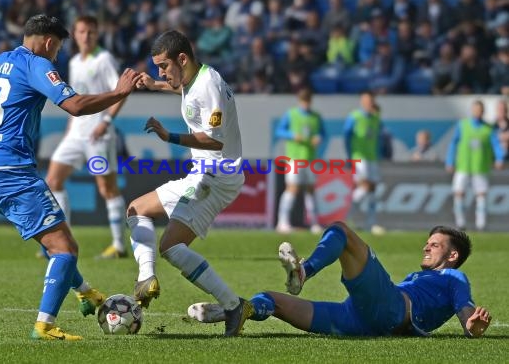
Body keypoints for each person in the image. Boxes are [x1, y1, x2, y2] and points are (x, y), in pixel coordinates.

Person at [0, 14, 138, 340]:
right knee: (66, 249)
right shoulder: (38, 65)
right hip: (13, 172)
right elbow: (74, 104)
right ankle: (45, 325)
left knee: (52, 241)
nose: (56, 57)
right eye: (57, 50)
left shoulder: (1, 60)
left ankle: (84, 290)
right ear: (48, 43)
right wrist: (118, 92)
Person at [128, 30, 253, 336]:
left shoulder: (208, 86)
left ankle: (233, 305)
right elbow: (189, 96)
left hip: (215, 176)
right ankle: (147, 276)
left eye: (164, 66)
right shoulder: (194, 78)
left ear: (181, 58)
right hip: (206, 173)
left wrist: (168, 136)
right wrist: (157, 85)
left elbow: (213, 141)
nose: (161, 72)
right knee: (136, 209)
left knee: (171, 246)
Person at [188, 221, 493, 338]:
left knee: (342, 232)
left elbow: (468, 319)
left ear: (453, 256)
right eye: (428, 241)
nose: (426, 246)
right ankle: (243, 310)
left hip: (390, 309)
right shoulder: (421, 277)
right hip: (359, 320)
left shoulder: (454, 276)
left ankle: (304, 271)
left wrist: (473, 327)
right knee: (275, 299)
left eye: (435, 244)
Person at [45, 15, 128, 259]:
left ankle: (118, 245)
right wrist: (70, 127)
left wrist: (106, 122)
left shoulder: (104, 59)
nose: (86, 36)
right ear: (75, 33)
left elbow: (120, 93)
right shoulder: (73, 62)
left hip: (98, 137)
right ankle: (63, 240)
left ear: (97, 34)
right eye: (82, 32)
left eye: (91, 32)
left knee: (106, 187)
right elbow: (75, 100)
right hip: (76, 134)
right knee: (53, 179)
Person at [445, 100, 504, 231]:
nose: (478, 112)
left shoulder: (488, 129)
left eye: (480, 110)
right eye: (475, 109)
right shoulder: (463, 125)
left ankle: (480, 224)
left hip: (480, 166)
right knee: (459, 193)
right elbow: (454, 143)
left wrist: (500, 158)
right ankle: (460, 223)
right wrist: (450, 161)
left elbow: (496, 144)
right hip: (463, 166)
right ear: (472, 111)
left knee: (481, 195)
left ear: (483, 111)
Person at [275, 87, 325, 234]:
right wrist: (292, 135)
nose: (306, 104)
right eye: (303, 101)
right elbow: (279, 131)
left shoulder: (316, 116)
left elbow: (322, 133)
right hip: (294, 158)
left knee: (310, 190)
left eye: (308, 101)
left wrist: (319, 138)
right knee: (292, 189)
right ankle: (282, 222)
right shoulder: (291, 114)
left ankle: (315, 223)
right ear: (299, 101)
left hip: (309, 158)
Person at [344, 91, 385, 235]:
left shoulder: (375, 119)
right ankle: (346, 219)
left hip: (372, 157)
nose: (369, 103)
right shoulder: (354, 117)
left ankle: (371, 223)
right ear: (362, 101)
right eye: (366, 100)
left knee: (372, 189)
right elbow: (347, 137)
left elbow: (378, 138)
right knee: (364, 187)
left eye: (371, 100)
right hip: (359, 157)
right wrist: (349, 157)